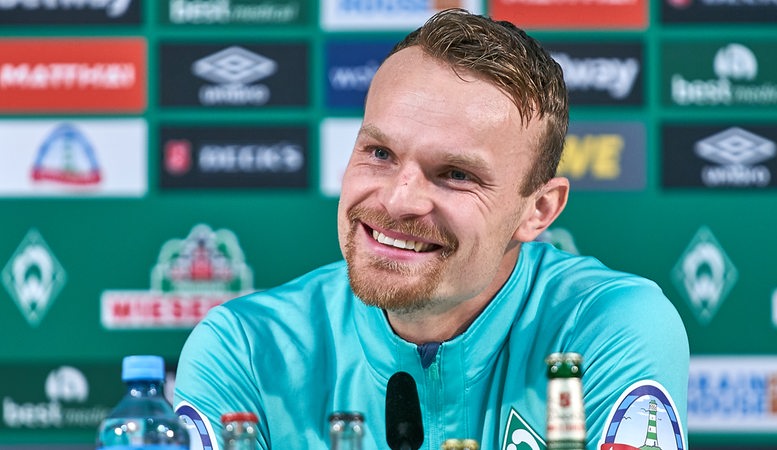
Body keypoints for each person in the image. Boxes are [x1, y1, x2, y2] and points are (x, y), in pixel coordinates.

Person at [173, 8, 690, 450]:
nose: (400, 199)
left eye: (456, 175)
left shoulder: (610, 326)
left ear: (539, 210)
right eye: (380, 153)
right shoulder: (244, 348)